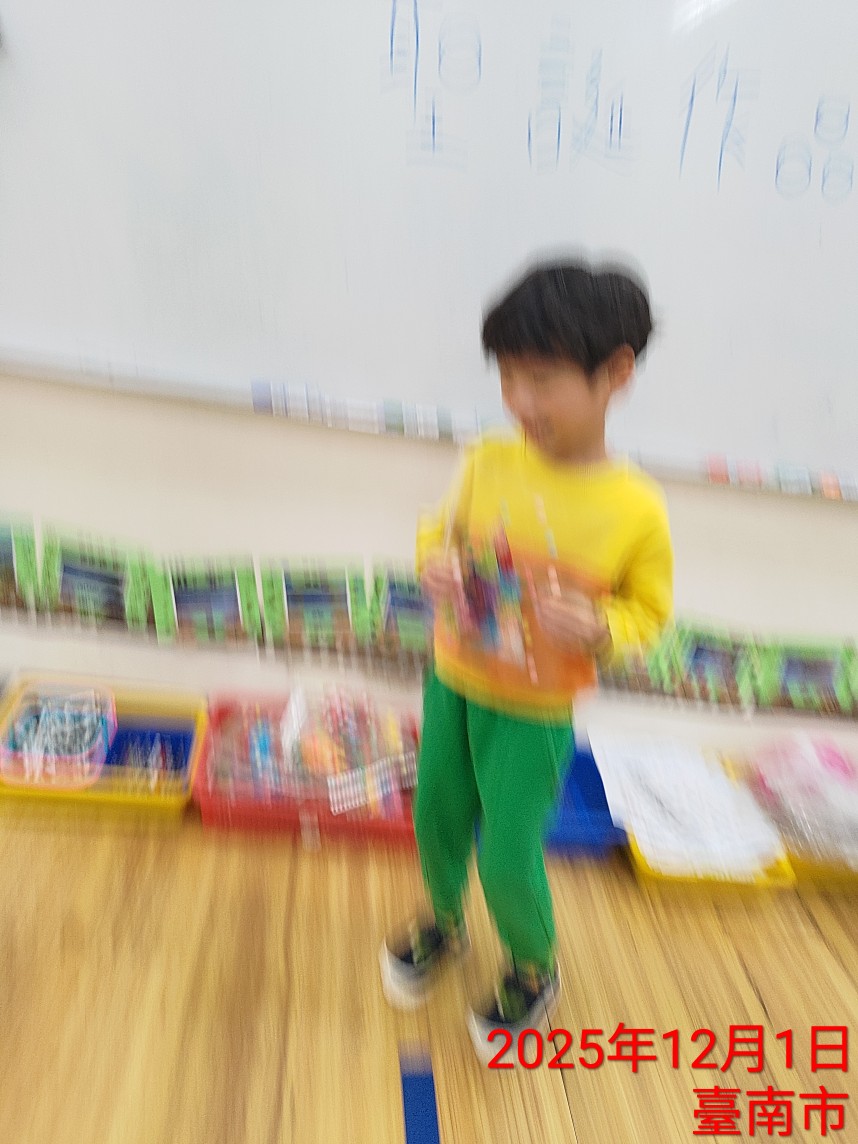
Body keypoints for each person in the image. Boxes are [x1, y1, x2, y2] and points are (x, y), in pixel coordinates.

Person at [379, 258, 674, 1062]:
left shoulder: (637, 509)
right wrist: (434, 561)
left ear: (616, 373)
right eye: (508, 378)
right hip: (453, 678)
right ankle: (445, 922)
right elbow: (438, 529)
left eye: (542, 380)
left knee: (507, 849)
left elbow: (648, 615)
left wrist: (602, 625)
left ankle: (535, 966)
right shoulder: (487, 458)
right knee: (435, 814)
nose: (520, 401)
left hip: (534, 711)